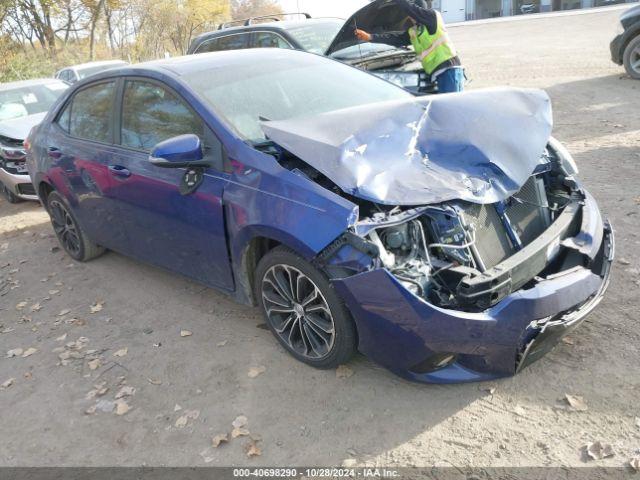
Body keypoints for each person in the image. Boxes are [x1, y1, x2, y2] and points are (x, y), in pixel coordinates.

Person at [354, 0, 464, 93]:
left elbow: (409, 8)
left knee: (451, 110)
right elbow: (394, 38)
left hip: (449, 70)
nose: (410, 17)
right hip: (437, 74)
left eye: (412, 15)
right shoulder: (414, 32)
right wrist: (370, 37)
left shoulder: (432, 18)